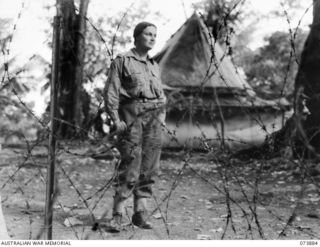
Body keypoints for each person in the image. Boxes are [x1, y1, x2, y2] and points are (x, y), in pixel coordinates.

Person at [103, 21, 166, 233]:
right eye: (148, 34)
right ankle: (118, 214)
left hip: (154, 119)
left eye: (154, 35)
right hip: (132, 116)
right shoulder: (122, 60)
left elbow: (161, 96)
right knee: (131, 163)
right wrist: (115, 118)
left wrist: (162, 118)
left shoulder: (154, 65)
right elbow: (111, 91)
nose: (152, 38)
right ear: (137, 37)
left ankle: (140, 213)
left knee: (150, 167)